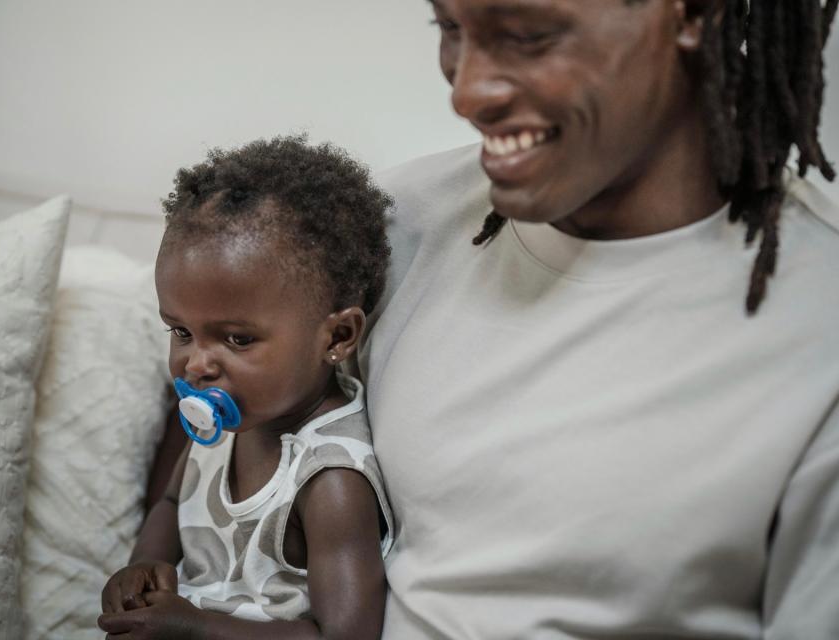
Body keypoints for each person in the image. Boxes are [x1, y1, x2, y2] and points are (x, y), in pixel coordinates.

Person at [358, 0, 839, 638]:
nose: (467, 93)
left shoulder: (819, 326)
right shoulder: (382, 232)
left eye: (528, 35)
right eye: (449, 28)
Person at [99, 136, 394, 639]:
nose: (196, 365)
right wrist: (144, 566)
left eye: (238, 338)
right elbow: (173, 503)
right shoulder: (226, 416)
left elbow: (345, 636)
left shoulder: (330, 479)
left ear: (338, 336)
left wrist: (196, 629)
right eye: (181, 332)